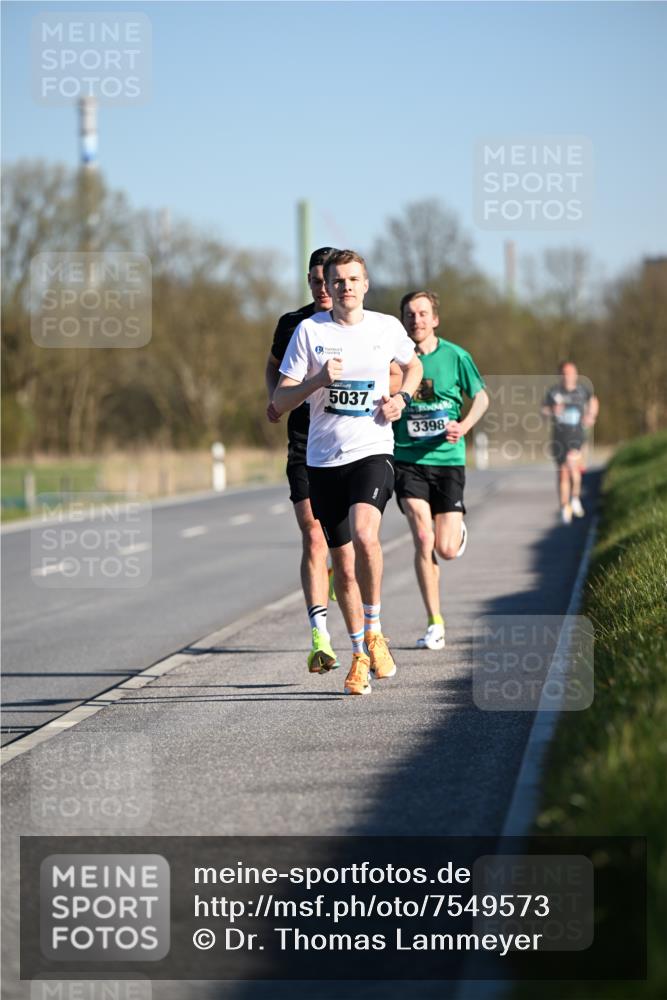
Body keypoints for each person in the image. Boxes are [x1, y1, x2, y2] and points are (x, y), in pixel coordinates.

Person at [273, 250, 423, 695]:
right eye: (338, 281)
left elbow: (413, 365)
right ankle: (359, 655)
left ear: (365, 283)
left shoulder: (385, 327)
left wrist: (403, 398)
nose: (345, 287)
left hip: (372, 449)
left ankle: (374, 630)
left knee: (365, 535)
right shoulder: (309, 331)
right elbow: (280, 401)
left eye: (353, 279)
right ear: (328, 285)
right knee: (342, 564)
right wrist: (316, 380)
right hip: (322, 460)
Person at [392, 290, 488, 651]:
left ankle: (454, 530)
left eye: (422, 313)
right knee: (422, 537)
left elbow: (482, 397)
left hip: (447, 460)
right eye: (409, 314)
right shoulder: (393, 359)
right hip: (408, 459)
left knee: (445, 548)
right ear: (402, 320)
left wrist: (463, 426)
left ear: (435, 319)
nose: (416, 320)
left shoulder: (456, 356)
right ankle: (435, 621)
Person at [265, 247, 342, 674]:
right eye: (314, 281)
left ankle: (366, 628)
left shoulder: (359, 324)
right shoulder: (292, 324)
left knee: (345, 545)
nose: (321, 287)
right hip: (303, 440)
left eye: (326, 280)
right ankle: (319, 638)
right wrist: (274, 399)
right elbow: (274, 366)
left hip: (348, 443)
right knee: (313, 535)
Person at [542, 361, 599, 524]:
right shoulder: (554, 392)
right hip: (559, 438)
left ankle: (574, 498)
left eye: (571, 373)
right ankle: (564, 506)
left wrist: (591, 416)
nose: (568, 376)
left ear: (576, 374)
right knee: (563, 473)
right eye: (565, 373)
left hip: (577, 437)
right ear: (560, 375)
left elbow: (594, 402)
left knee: (572, 466)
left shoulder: (582, 391)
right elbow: (543, 411)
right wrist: (552, 410)